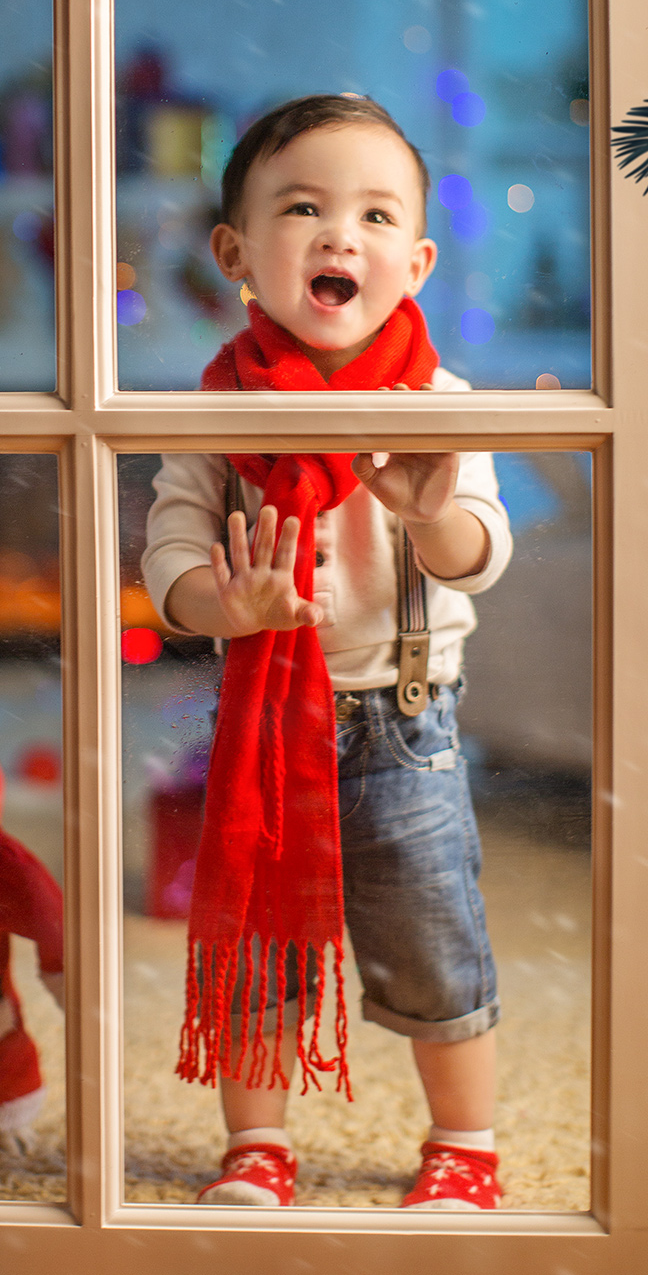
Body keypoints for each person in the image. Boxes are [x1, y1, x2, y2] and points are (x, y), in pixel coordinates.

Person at [141, 94, 512, 1210]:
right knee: (258, 951)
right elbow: (167, 572)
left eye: (374, 215)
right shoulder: (218, 410)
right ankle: (257, 1143)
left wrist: (427, 507)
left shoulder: (438, 403)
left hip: (406, 724)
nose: (340, 235)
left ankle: (466, 1141)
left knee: (434, 948)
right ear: (236, 253)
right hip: (266, 723)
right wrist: (230, 603)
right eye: (302, 208)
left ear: (417, 260)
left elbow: (480, 555)